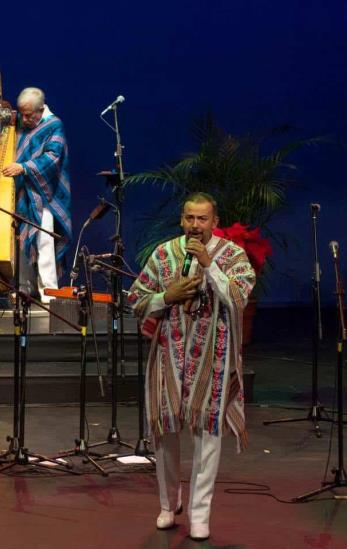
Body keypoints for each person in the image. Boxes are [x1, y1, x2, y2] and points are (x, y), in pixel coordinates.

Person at [127, 192, 255, 540]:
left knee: (207, 436)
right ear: (181, 220)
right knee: (165, 432)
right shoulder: (164, 253)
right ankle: (169, 505)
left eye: (202, 219)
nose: (194, 226)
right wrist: (166, 297)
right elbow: (136, 300)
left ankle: (201, 514)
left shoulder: (233, 256)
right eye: (189, 218)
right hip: (169, 353)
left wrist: (209, 265)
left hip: (213, 358)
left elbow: (238, 298)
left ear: (215, 222)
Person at [2, 87, 72, 303]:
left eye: (29, 115)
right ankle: (24, 288)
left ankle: (49, 292)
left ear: (41, 109)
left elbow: (52, 157)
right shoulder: (23, 124)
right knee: (21, 241)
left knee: (44, 241)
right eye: (22, 114)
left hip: (45, 194)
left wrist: (23, 168)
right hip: (25, 192)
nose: (24, 119)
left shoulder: (54, 125)